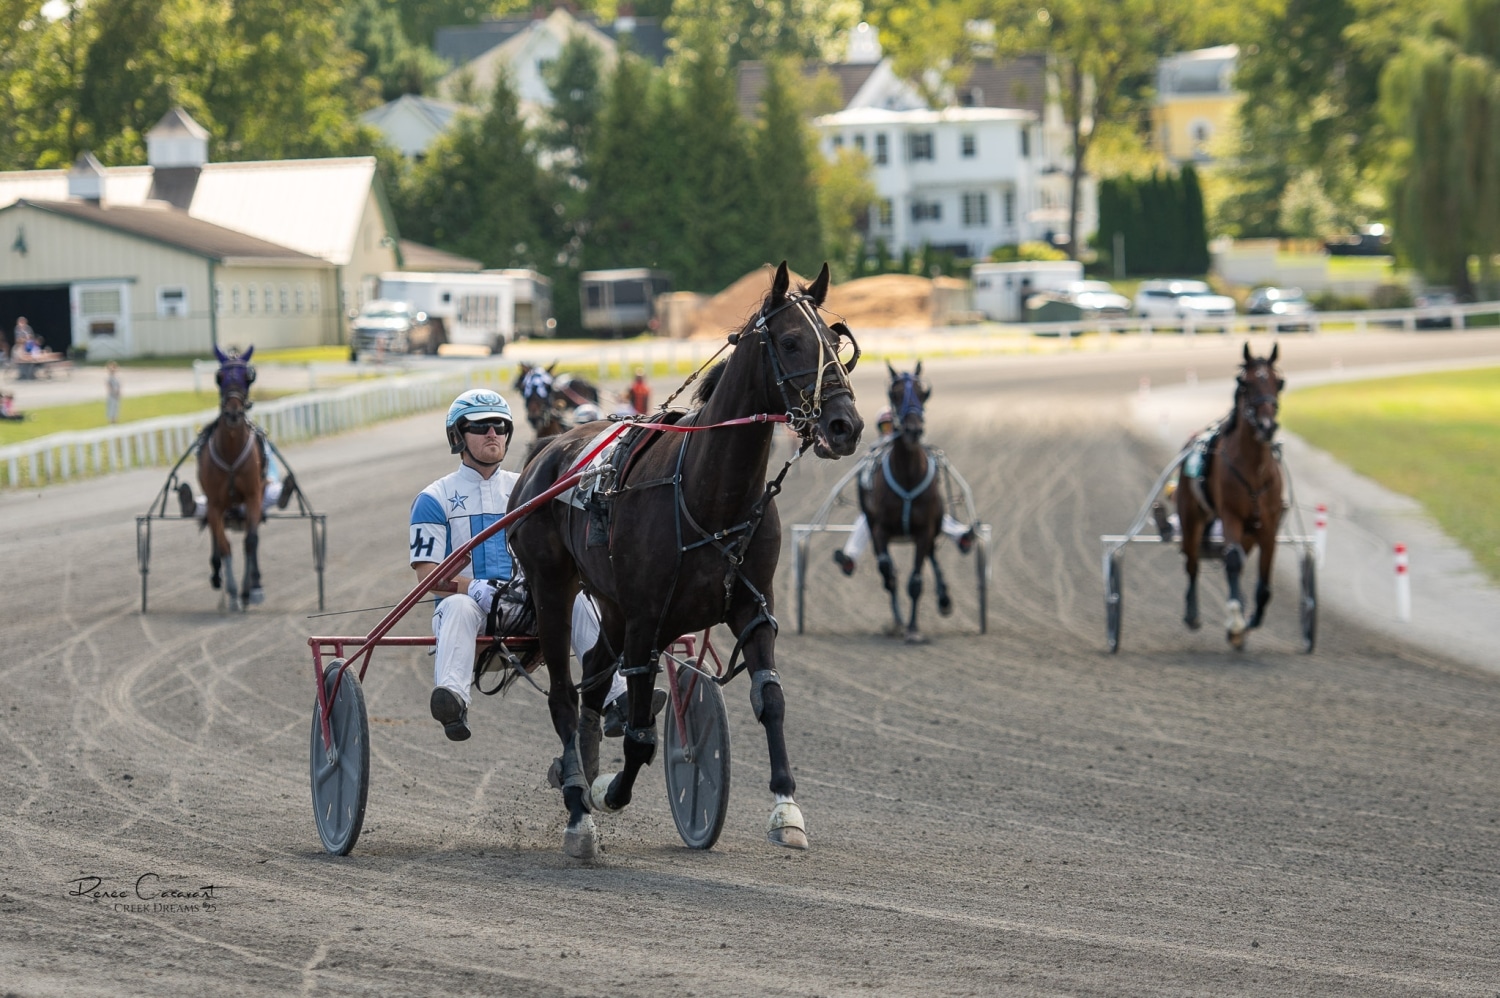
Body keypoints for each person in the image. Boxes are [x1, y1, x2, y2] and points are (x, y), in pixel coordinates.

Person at [411, 388, 648, 742]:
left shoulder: (528, 488)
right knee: (458, 606)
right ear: (457, 436)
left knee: (580, 600)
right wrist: (473, 587)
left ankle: (617, 697)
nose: (493, 433)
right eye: (481, 426)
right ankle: (452, 698)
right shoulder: (434, 499)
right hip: (472, 614)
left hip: (530, 605)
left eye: (501, 426)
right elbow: (426, 576)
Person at [832, 408, 976, 576]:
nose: (890, 432)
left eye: (893, 428)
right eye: (886, 428)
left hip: (917, 510)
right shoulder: (873, 454)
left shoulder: (918, 452)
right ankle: (850, 557)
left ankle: (961, 535)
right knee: (865, 519)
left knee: (933, 512)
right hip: (882, 513)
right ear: (880, 430)